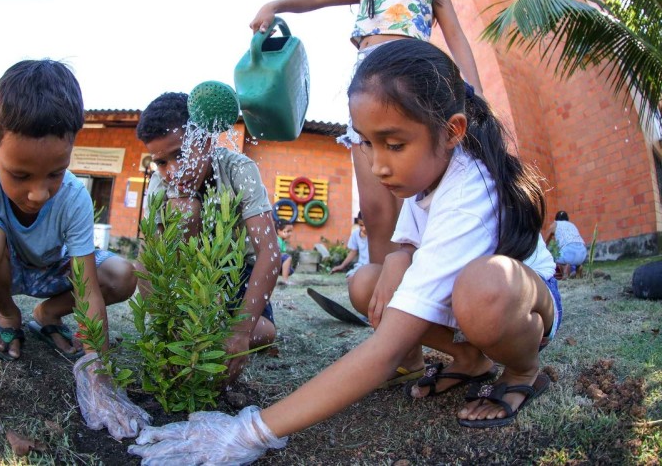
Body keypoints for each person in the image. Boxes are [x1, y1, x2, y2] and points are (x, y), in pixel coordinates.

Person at [129, 40, 562, 464]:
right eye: (367, 144)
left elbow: (386, 348)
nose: (378, 166)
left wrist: (251, 431)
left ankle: (522, 370)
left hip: (518, 305)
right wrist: (395, 259)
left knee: (482, 288)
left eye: (393, 145)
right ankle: (469, 359)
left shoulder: (471, 189)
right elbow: (406, 245)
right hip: (466, 301)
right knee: (367, 281)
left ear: (452, 131)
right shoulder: (424, 174)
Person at [0, 60, 149, 449]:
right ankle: (8, 313)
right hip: (4, 265)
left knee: (121, 275)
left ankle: (47, 314)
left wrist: (99, 375)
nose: (39, 193)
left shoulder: (75, 197)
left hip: (52, 270)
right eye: (21, 175)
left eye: (55, 173)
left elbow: (89, 290)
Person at [250, 0, 484, 272]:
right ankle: (379, 284)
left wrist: (473, 89)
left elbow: (456, 36)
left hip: (412, 81)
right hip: (368, 84)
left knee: (414, 200)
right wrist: (274, 5)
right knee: (375, 207)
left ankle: (423, 284)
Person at [136, 92, 279, 382]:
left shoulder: (238, 169)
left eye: (179, 154)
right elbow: (146, 261)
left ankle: (213, 332)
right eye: (161, 162)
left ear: (206, 141)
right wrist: (167, 328)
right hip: (186, 279)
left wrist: (239, 334)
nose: (173, 171)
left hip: (237, 273)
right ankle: (195, 328)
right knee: (185, 209)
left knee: (264, 334)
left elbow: (270, 254)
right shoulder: (159, 185)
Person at [546, 211, 587, 279]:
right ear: (567, 219)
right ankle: (578, 268)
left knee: (554, 252)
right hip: (583, 253)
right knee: (568, 249)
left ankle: (565, 272)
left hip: (568, 253)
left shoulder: (554, 224)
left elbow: (545, 243)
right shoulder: (572, 225)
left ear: (555, 219)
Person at [330, 211, 370, 279]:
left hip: (372, 267)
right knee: (350, 278)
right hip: (360, 266)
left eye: (366, 225)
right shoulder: (355, 234)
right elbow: (353, 252)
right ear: (358, 222)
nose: (364, 228)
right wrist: (341, 266)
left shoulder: (375, 235)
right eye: (361, 225)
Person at [275, 220, 295, 286]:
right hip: (274, 260)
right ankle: (285, 281)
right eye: (288, 231)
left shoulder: (282, 241)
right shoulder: (277, 240)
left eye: (291, 231)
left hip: (277, 261)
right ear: (278, 231)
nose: (290, 234)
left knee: (290, 270)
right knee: (287, 258)